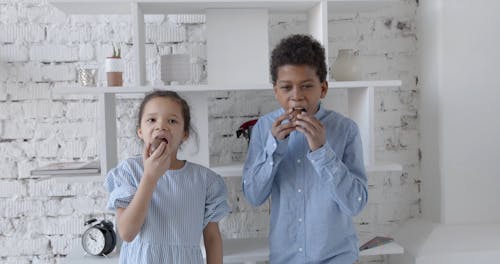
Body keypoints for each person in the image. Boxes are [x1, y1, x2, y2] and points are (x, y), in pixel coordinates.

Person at [242, 34, 368, 263]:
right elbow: (253, 196)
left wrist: (322, 151)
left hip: (337, 256)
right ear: (275, 91)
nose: (296, 96)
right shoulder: (263, 128)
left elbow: (355, 204)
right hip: (285, 257)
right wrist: (274, 147)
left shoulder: (346, 130)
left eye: (307, 86)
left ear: (323, 88)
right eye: (286, 87)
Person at [104, 90, 230, 264]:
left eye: (172, 121)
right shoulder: (129, 172)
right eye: (152, 120)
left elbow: (212, 238)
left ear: (184, 133)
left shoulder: (205, 181)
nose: (161, 126)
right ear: (140, 131)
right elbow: (127, 233)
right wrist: (149, 176)